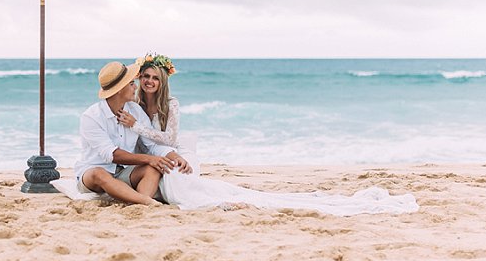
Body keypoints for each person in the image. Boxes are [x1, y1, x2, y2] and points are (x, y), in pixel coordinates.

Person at [118, 54, 420, 215]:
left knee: (186, 184)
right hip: (155, 159)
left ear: (163, 81)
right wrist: (150, 143)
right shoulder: (134, 105)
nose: (148, 81)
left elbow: (169, 138)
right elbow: (140, 142)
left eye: (154, 77)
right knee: (171, 180)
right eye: (144, 76)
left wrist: (167, 149)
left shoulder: (171, 103)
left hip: (172, 154)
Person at [73, 60, 192, 206]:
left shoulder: (135, 110)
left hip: (124, 173)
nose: (136, 86)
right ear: (119, 89)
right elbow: (112, 155)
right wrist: (148, 159)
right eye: (131, 84)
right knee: (99, 173)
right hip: (93, 174)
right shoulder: (91, 117)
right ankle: (145, 201)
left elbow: (152, 146)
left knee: (153, 169)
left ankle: (137, 206)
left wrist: (174, 156)